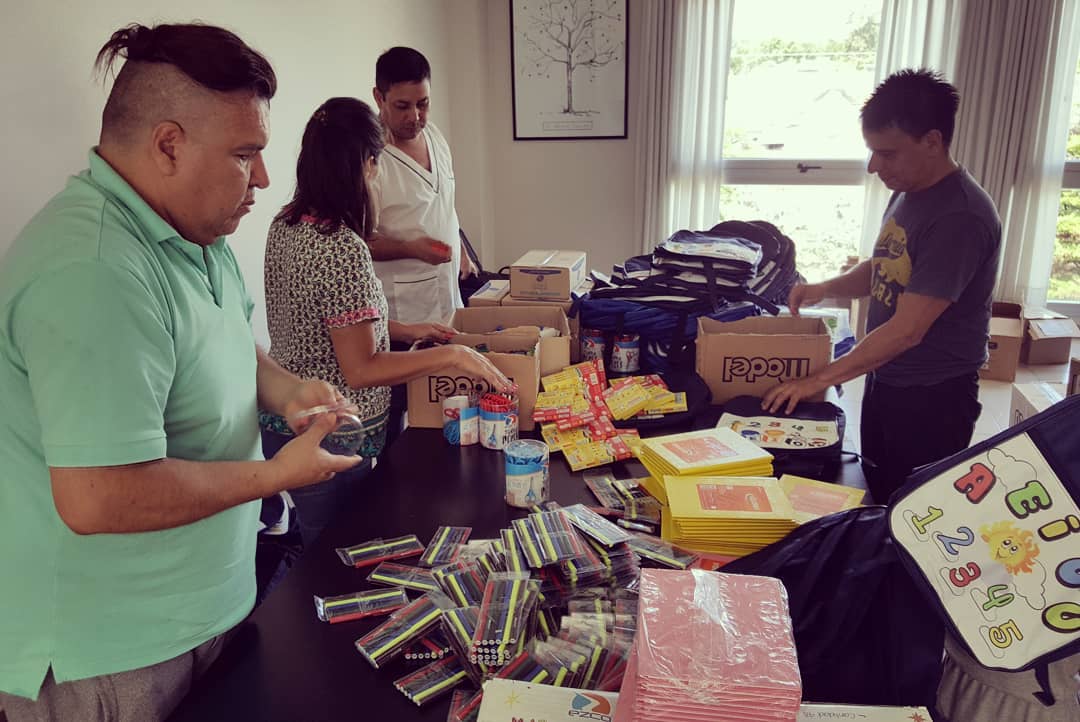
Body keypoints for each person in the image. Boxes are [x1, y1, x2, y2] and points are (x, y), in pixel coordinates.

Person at [0, 23, 362, 721]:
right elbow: (99, 496)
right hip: (111, 654)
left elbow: (226, 344)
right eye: (245, 155)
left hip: (203, 612)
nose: (263, 178)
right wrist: (275, 475)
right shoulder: (94, 270)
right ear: (169, 145)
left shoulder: (195, 231)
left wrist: (289, 391)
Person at [260, 97, 511, 549]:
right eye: (376, 163)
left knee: (325, 545)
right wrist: (453, 355)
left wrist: (411, 331)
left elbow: (327, 325)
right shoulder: (342, 246)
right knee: (334, 555)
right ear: (367, 164)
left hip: (286, 423)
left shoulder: (287, 224)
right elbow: (361, 368)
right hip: (331, 433)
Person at [762, 68, 1001, 505]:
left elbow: (908, 331)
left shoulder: (960, 217)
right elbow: (889, 265)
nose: (875, 167)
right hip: (888, 377)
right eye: (872, 152)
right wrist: (825, 287)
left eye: (887, 154)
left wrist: (818, 380)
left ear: (932, 141)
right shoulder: (910, 189)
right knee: (876, 488)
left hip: (933, 397)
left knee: (913, 508)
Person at [368, 45, 476, 447]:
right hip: (401, 315)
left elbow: (444, 202)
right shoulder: (370, 159)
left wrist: (461, 246)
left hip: (446, 299)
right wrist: (412, 249)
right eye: (402, 106)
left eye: (423, 104)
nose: (415, 116)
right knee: (401, 415)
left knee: (447, 403)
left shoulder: (435, 137)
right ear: (379, 98)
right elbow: (359, 241)